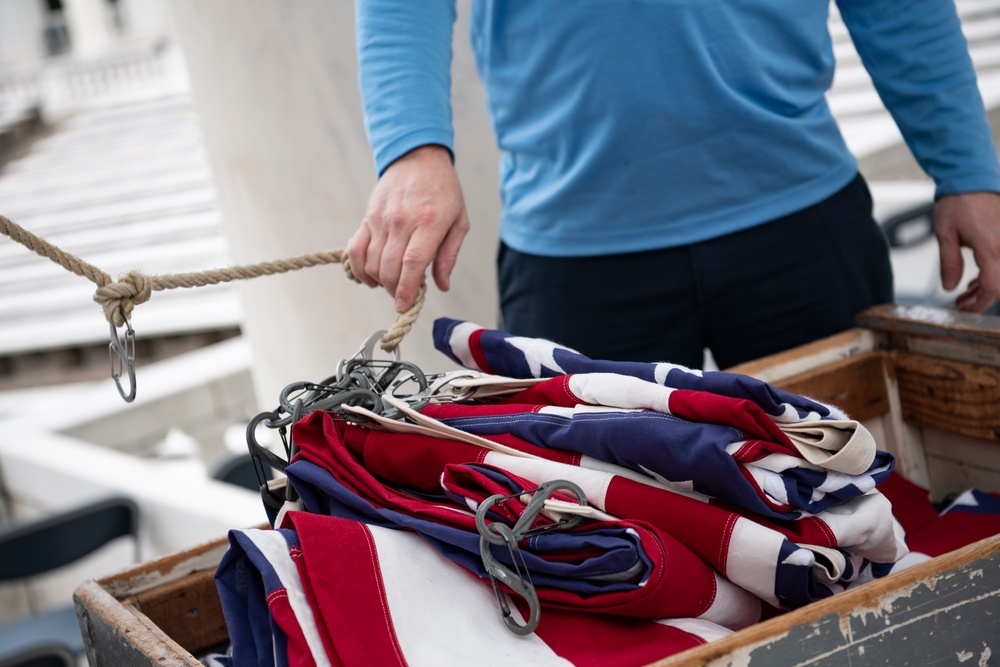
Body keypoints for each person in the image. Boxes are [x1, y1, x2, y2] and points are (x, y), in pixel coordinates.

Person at [347, 1, 1000, 369]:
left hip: (802, 226)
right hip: (574, 259)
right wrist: (413, 148)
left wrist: (966, 166)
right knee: (598, 559)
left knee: (860, 517)